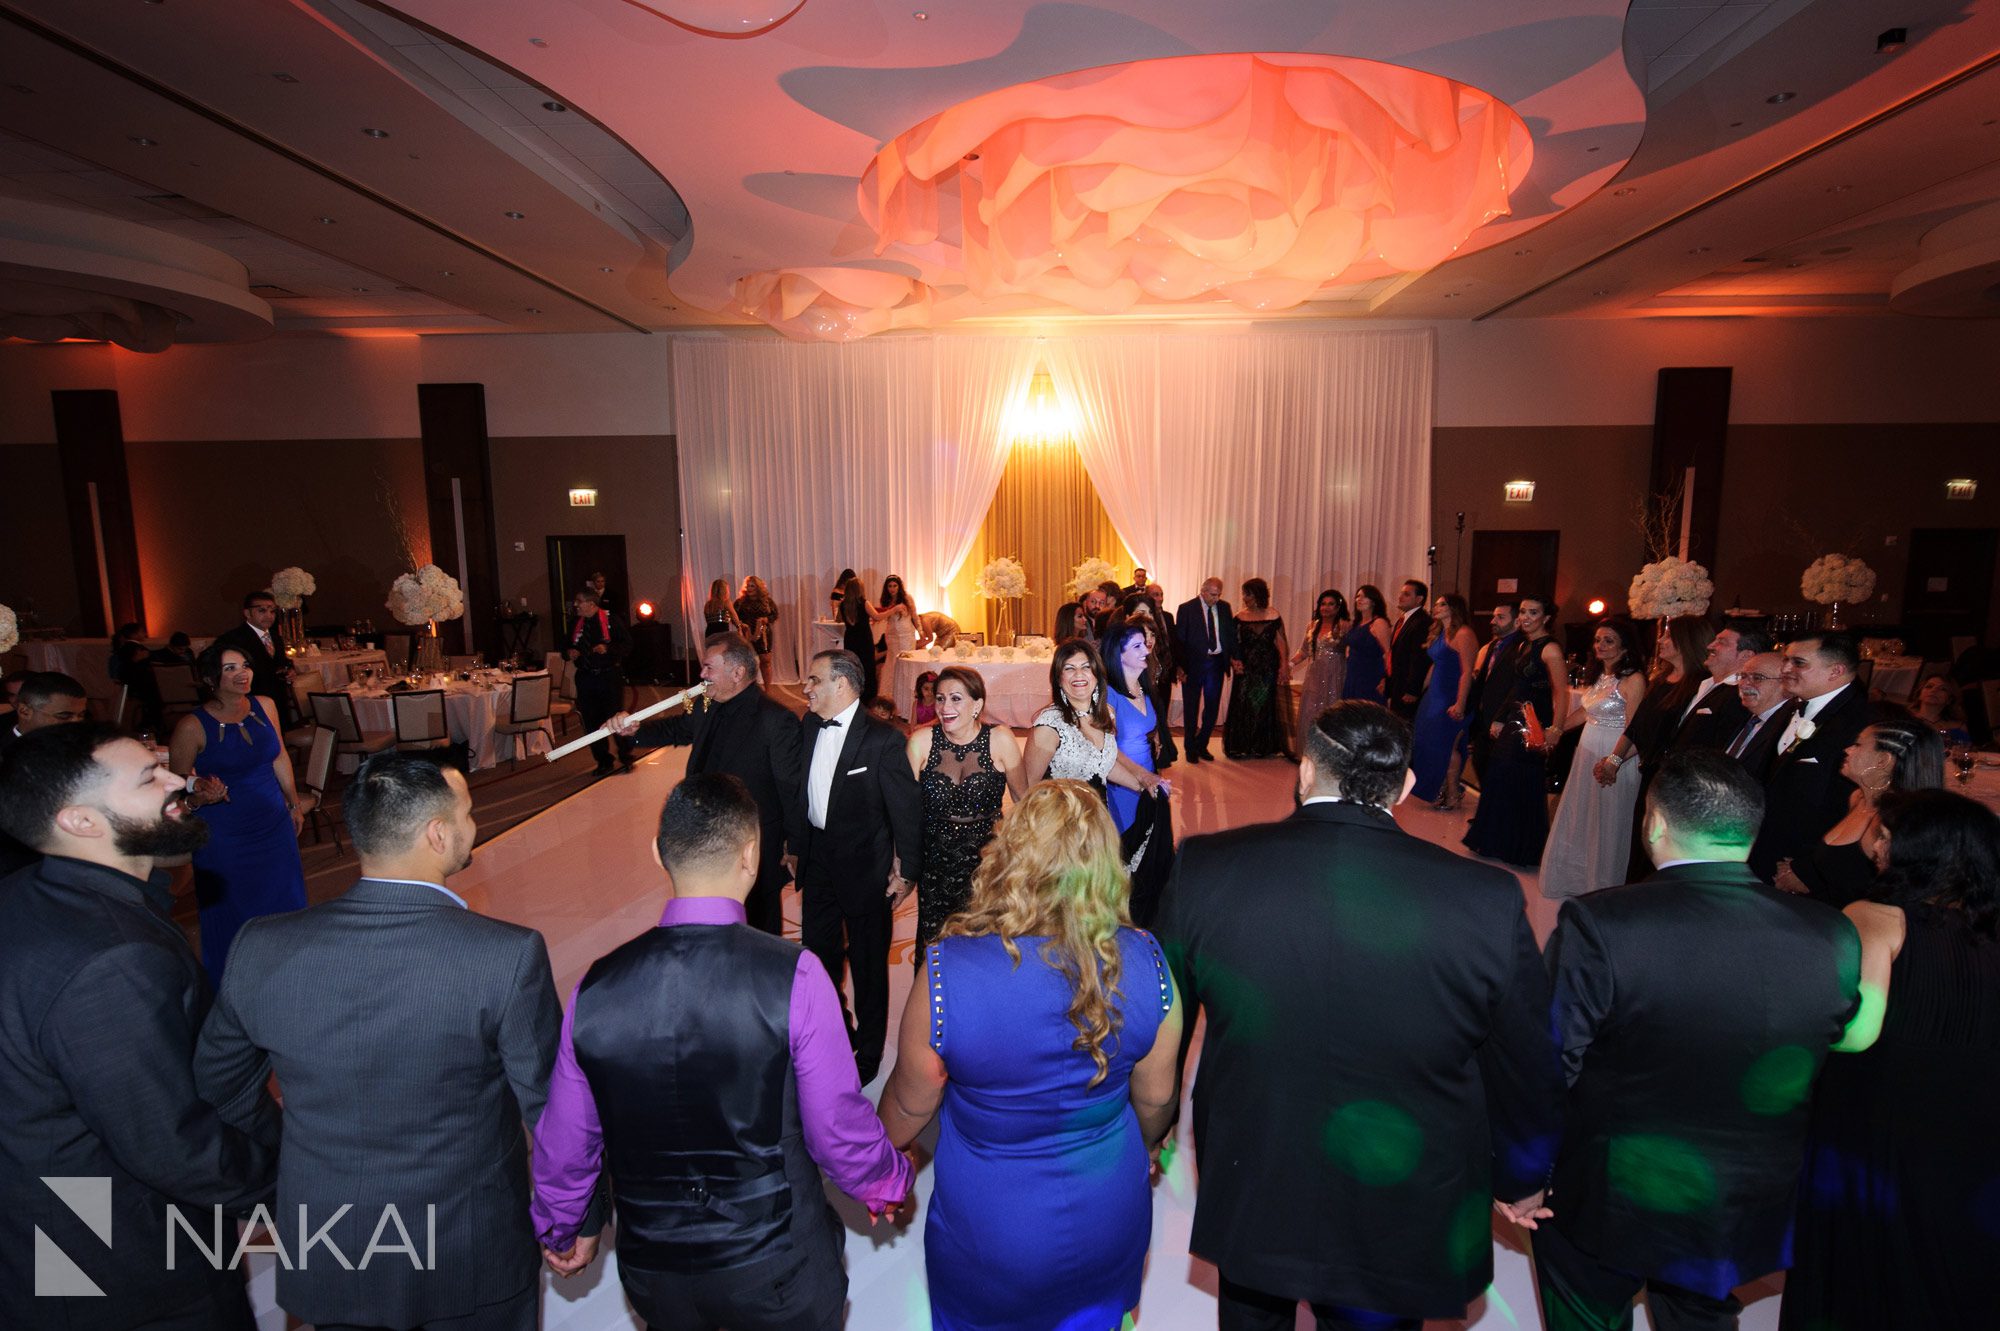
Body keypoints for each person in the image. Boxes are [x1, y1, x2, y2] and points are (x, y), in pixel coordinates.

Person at [1157, 701, 1562, 1330]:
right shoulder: (1484, 898)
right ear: (1405, 786)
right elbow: (1525, 1055)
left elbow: (1163, 1021)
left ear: (1304, 772)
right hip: (1397, 1190)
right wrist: (1522, 1174)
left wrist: (1151, 1124)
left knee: (1252, 1310)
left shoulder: (1208, 866)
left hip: (1256, 1167)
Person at [194, 751, 559, 1331]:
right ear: (438, 834)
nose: (473, 824)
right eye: (467, 812)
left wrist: (294, 1152)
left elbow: (220, 1087)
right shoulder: (505, 954)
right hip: (470, 1247)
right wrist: (577, 1213)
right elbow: (550, 1107)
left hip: (332, 1239)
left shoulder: (262, 946)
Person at [531, 773, 912, 1327]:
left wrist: (561, 1224)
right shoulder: (796, 975)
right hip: (777, 1264)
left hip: (656, 1271)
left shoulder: (597, 986)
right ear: (752, 856)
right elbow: (836, 1128)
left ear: (659, 855)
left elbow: (565, 1141)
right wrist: (886, 1182)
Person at [1539, 749, 1861, 1331]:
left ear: (1655, 824)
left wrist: (1522, 1171)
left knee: (1585, 1310)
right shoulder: (1832, 933)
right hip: (1743, 1194)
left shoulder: (1601, 922)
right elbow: (1834, 1047)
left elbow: (1548, 1060)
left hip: (1609, 1190)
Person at [0, 723, 279, 1330]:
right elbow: (172, 1143)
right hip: (123, 1258)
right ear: (80, 820)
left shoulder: (28, 894)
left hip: (46, 1228)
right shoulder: (114, 957)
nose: (178, 779)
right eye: (149, 776)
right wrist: (295, 1184)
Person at [879, 780, 1181, 1331]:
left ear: (1011, 855)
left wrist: (877, 1168)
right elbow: (1157, 1100)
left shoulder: (948, 973)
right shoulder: (1149, 961)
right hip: (1108, 1208)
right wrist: (1146, 1148)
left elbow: (907, 1105)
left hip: (990, 1229)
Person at [1781, 788, 2000, 1331]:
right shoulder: (1989, 928)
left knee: (1864, 1260)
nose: (1875, 843)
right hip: (1973, 1122)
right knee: (1948, 1261)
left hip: (1881, 1115)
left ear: (1914, 848)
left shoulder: (1874, 915)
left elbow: (1857, 1034)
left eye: (1883, 832)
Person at [609, 632, 805, 936]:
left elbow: (791, 788)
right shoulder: (703, 704)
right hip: (703, 835)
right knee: (710, 919)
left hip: (750, 842)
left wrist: (795, 845)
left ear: (737, 673)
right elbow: (675, 728)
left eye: (708, 667)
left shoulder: (776, 719)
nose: (701, 675)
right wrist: (634, 730)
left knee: (758, 927)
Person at [790, 648, 923, 1084]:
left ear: (841, 684)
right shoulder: (809, 724)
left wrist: (906, 872)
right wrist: (793, 845)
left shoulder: (883, 740)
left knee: (868, 969)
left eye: (814, 680)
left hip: (866, 870)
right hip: (818, 864)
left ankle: (867, 1055)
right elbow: (801, 791)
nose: (806, 688)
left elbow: (906, 812)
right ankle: (838, 1033)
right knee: (818, 957)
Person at [169, 644, 309, 987]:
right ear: (208, 678)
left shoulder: (266, 705)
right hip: (224, 832)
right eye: (229, 668)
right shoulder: (191, 726)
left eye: (244, 665)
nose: (242, 673)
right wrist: (200, 791)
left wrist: (292, 802)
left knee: (284, 901)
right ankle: (236, 986)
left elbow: (278, 757)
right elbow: (176, 783)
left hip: (273, 822)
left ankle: (289, 978)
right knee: (233, 910)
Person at [906, 665, 1027, 947]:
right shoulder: (920, 742)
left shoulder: (1000, 739)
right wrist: (903, 863)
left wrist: (1018, 856)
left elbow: (1022, 800)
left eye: (956, 698)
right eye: (940, 698)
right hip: (934, 863)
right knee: (936, 944)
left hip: (986, 864)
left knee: (982, 943)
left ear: (978, 704)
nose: (945, 706)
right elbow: (904, 810)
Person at [1773, 715, 1942, 907]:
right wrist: (1804, 872)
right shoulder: (1858, 798)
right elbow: (1842, 864)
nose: (1847, 750)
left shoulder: (1887, 824)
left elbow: (1883, 898)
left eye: (1858, 745)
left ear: (1882, 760)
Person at [1540, 619, 1649, 901]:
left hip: (1614, 756)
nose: (1600, 645)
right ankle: (1578, 879)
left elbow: (1636, 731)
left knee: (1608, 823)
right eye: (1598, 639)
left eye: (1609, 640)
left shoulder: (1633, 679)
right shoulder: (1602, 675)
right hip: (1586, 753)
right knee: (1583, 817)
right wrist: (1557, 729)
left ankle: (1604, 887)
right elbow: (1588, 713)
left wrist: (1614, 760)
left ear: (1625, 646)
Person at [1751, 631, 1874, 879]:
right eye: (1786, 660)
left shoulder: (1862, 724)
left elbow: (1850, 803)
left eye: (1798, 663)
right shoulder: (1791, 707)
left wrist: (1809, 870)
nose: (1785, 668)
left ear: (1836, 672)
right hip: (1762, 852)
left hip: (1798, 863)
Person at [1463, 593, 1569, 867]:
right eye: (1522, 612)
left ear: (1546, 618)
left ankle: (1520, 849)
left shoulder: (1550, 649)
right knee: (1501, 775)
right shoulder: (1524, 646)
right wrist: (1499, 717)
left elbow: (1562, 693)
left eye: (1533, 613)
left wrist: (1556, 728)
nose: (1525, 618)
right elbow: (1515, 689)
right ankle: (1497, 842)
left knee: (1520, 778)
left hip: (1534, 723)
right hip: (1516, 718)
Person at [1608, 615, 1717, 879]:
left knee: (1662, 844)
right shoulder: (1660, 680)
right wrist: (1614, 759)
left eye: (1668, 637)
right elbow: (1638, 727)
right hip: (1650, 772)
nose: (1660, 640)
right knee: (1642, 839)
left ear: (1686, 642)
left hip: (1670, 775)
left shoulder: (1700, 684)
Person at [1024, 640, 1168, 804]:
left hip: (1097, 816)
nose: (1079, 674)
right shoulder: (1049, 726)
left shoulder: (1105, 713)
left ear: (1096, 674)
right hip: (1060, 820)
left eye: (1086, 667)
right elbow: (1026, 790)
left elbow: (1102, 765)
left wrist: (1144, 786)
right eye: (1069, 668)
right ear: (1058, 679)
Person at [1101, 620, 1176, 924]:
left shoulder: (1143, 686)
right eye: (1137, 646)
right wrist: (1141, 778)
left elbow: (1146, 725)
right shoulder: (1109, 694)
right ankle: (1121, 912)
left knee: (1152, 848)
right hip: (1123, 782)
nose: (1146, 649)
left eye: (1145, 643)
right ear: (1118, 656)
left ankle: (1146, 912)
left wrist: (1155, 739)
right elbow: (1109, 747)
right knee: (1128, 848)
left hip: (1149, 775)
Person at [0, 670, 91, 874]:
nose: (76, 724)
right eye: (64, 716)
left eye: (81, 715)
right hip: (23, 868)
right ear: (24, 711)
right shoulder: (5, 758)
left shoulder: (87, 747)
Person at [1409, 592, 1479, 804]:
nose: (1435, 607)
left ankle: (1452, 793)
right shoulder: (1440, 631)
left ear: (1453, 608)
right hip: (1434, 696)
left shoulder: (1464, 633)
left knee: (1446, 746)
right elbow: (1436, 664)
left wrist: (1460, 703)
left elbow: (1467, 671)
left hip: (1452, 695)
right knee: (1426, 743)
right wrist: (1422, 690)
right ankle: (1438, 789)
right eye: (1436, 604)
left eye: (1441, 604)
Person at [567, 585, 636, 775]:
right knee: (591, 721)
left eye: (579, 602)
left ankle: (626, 756)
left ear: (591, 604)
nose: (576, 605)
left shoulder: (611, 620)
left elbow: (627, 644)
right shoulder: (575, 623)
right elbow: (565, 645)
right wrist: (570, 653)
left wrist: (608, 649)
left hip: (608, 676)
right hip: (586, 677)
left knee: (615, 718)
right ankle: (603, 761)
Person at [1222, 577, 1290, 759]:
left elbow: (1281, 641)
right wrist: (1233, 662)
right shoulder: (1239, 616)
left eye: (1248, 594)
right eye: (1244, 594)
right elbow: (1232, 643)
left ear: (1258, 594)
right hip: (1246, 668)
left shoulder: (1273, 614)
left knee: (1264, 704)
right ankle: (1244, 745)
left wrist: (1284, 666)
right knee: (1245, 704)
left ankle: (1263, 746)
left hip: (1268, 666)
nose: (1245, 598)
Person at [1174, 577, 1238, 763]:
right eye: (1213, 594)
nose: (1216, 598)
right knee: (1191, 707)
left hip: (1216, 664)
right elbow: (1180, 640)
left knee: (1212, 707)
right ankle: (1190, 748)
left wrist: (1235, 657)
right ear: (1203, 591)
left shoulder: (1224, 608)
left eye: (1219, 594)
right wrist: (1181, 666)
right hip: (1193, 665)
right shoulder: (1186, 608)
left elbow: (1230, 635)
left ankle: (1202, 744)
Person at [214, 588, 297, 723]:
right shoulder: (234, 639)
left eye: (272, 611)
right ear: (247, 613)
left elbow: (282, 661)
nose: (269, 616)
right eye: (262, 610)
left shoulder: (276, 637)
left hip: (277, 699)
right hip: (250, 700)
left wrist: (289, 669)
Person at [1466, 601, 1522, 786]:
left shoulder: (1520, 647)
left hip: (1502, 715)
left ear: (1516, 622)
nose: (1493, 621)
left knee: (1497, 769)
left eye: (1500, 617)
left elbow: (1516, 686)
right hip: (1485, 715)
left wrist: (1502, 717)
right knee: (1481, 763)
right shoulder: (1494, 645)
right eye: (1494, 616)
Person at [1290, 588, 1349, 762]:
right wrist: (1289, 665)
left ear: (1338, 607)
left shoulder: (1344, 625)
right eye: (1323, 604)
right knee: (1310, 711)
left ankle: (1330, 757)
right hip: (1315, 674)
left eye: (1331, 604)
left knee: (1331, 711)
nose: (1326, 607)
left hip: (1335, 674)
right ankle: (1309, 753)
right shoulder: (1312, 625)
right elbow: (1304, 651)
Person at [1726, 651, 1792, 781]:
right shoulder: (1741, 717)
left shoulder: (1788, 727)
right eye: (1743, 676)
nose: (1744, 684)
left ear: (1786, 683)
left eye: (1757, 678)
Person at [1385, 578, 1434, 720]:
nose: (1400, 597)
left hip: (1407, 687)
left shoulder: (1422, 622)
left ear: (1419, 599)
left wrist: (1413, 689)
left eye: (1406, 594)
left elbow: (1419, 658)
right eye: (1401, 593)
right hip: (1398, 684)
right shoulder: (1404, 620)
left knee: (1405, 723)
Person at [1340, 583, 1392, 701]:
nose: (1359, 599)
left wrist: (1386, 678)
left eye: (1364, 596)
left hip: (1370, 675)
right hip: (1353, 675)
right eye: (1358, 596)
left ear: (1373, 601)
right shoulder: (1356, 624)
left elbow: (1388, 653)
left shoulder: (1379, 623)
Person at [110, 619, 164, 730]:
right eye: (142, 631)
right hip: (142, 684)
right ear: (135, 634)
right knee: (153, 704)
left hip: (138, 684)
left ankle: (149, 724)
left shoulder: (127, 648)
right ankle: (154, 726)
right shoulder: (132, 648)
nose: (145, 634)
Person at [873, 573, 919, 703]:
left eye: (894, 586)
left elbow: (915, 616)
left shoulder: (907, 598)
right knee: (892, 664)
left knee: (906, 662)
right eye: (890, 586)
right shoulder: (886, 600)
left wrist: (921, 632)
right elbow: (883, 616)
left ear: (899, 587)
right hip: (892, 636)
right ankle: (889, 697)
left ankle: (907, 697)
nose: (892, 588)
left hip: (906, 634)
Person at [837, 576, 879, 701]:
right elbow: (877, 616)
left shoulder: (843, 604)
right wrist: (894, 609)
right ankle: (868, 697)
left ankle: (852, 695)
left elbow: (838, 619)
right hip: (864, 639)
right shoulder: (864, 603)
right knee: (867, 667)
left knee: (852, 666)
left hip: (850, 638)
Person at [735, 573, 779, 679]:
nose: (749, 588)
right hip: (746, 634)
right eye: (748, 586)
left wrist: (766, 619)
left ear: (758, 587)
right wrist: (740, 625)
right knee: (746, 662)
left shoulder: (767, 601)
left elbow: (775, 615)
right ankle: (748, 689)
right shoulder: (740, 602)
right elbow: (734, 617)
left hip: (763, 634)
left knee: (765, 661)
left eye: (752, 586)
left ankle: (767, 691)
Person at [1910, 672, 1973, 745]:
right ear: (1919, 694)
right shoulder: (1904, 719)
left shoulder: (1958, 727)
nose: (1934, 690)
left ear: (1949, 700)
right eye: (1929, 686)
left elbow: (1965, 751)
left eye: (1943, 689)